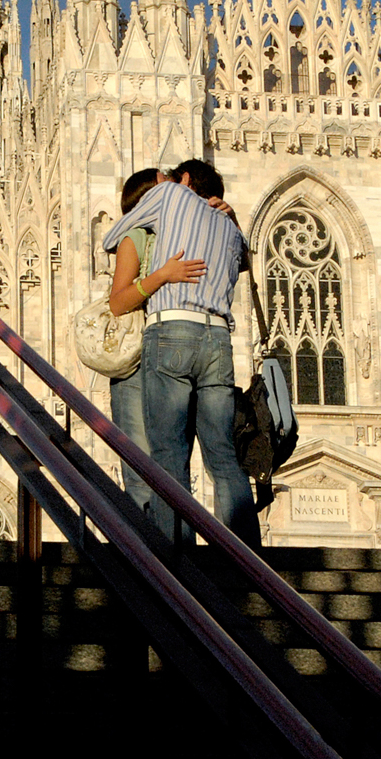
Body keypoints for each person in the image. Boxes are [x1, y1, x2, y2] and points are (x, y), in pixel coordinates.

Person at [101, 159, 260, 548]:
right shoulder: (227, 227)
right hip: (219, 340)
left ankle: (177, 557)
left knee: (168, 455)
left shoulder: (171, 197)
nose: (167, 184)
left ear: (183, 181)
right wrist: (230, 218)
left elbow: (109, 238)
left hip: (172, 332)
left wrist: (162, 272)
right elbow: (243, 262)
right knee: (222, 454)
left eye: (171, 179)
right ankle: (249, 558)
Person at [105, 168, 204, 519]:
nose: (177, 185)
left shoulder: (186, 233)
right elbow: (118, 302)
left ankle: (174, 559)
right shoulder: (135, 236)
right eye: (167, 181)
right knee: (140, 472)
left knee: (174, 468)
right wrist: (161, 276)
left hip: (174, 357)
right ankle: (146, 562)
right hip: (136, 364)